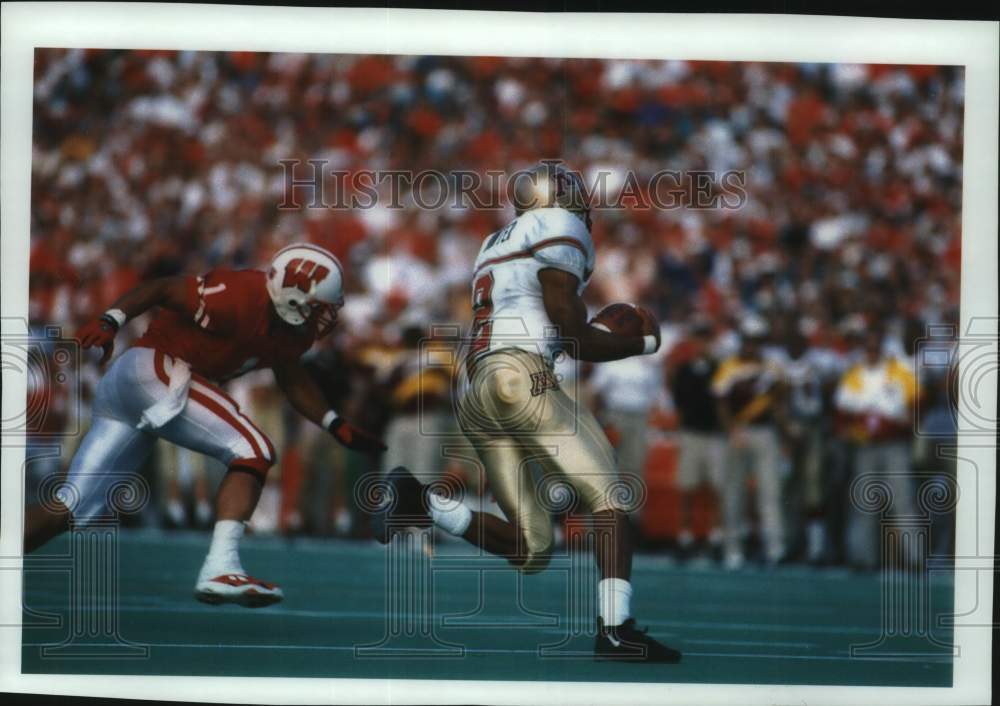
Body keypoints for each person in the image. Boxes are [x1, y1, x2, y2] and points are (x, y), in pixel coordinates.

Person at [375, 162, 681, 663]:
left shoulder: (495, 241)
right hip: (520, 375)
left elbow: (552, 328)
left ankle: (422, 504)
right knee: (609, 497)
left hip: (474, 389)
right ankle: (616, 629)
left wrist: (595, 337)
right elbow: (574, 334)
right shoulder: (562, 226)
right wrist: (639, 343)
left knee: (532, 547)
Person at [24, 243, 386, 606]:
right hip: (155, 369)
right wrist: (110, 320)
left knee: (70, 509)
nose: (327, 318)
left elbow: (291, 376)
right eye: (322, 308)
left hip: (137, 387)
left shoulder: (293, 331)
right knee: (254, 449)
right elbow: (163, 288)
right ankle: (220, 567)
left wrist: (333, 423)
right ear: (294, 298)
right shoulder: (239, 294)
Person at [834, 328, 919, 570]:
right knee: (864, 500)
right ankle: (863, 556)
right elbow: (842, 412)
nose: (872, 353)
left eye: (875, 348)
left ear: (882, 349)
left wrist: (905, 422)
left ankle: (913, 558)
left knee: (902, 500)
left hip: (894, 444)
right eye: (868, 348)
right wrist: (856, 430)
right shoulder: (855, 375)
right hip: (866, 446)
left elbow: (918, 402)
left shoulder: (899, 373)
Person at [712, 315, 788, 569]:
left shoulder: (773, 369)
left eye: (756, 341)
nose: (751, 346)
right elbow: (721, 403)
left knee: (769, 492)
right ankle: (732, 548)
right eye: (747, 340)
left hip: (765, 433)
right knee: (733, 492)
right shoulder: (729, 367)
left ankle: (774, 548)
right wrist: (731, 430)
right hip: (739, 432)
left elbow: (779, 403)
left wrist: (784, 433)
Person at [667, 316, 725, 559]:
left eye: (705, 338)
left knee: (717, 487)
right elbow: (677, 399)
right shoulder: (683, 370)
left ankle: (716, 536)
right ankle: (685, 535)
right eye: (698, 338)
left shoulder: (720, 369)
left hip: (714, 434)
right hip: (691, 432)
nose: (701, 343)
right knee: (687, 487)